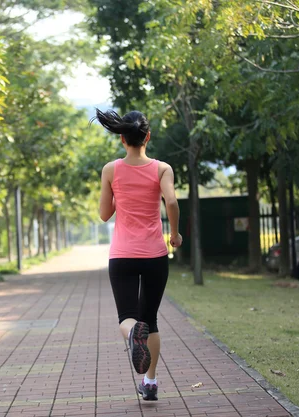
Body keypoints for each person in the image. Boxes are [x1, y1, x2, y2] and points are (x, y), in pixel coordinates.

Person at [93, 109, 182, 401]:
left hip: (123, 255)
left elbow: (104, 215)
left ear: (122, 139)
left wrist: (122, 194)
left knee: (128, 317)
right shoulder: (162, 169)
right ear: (148, 136)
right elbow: (171, 200)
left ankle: (133, 334)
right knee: (151, 320)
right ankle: (151, 382)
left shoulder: (110, 170)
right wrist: (175, 234)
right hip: (155, 254)